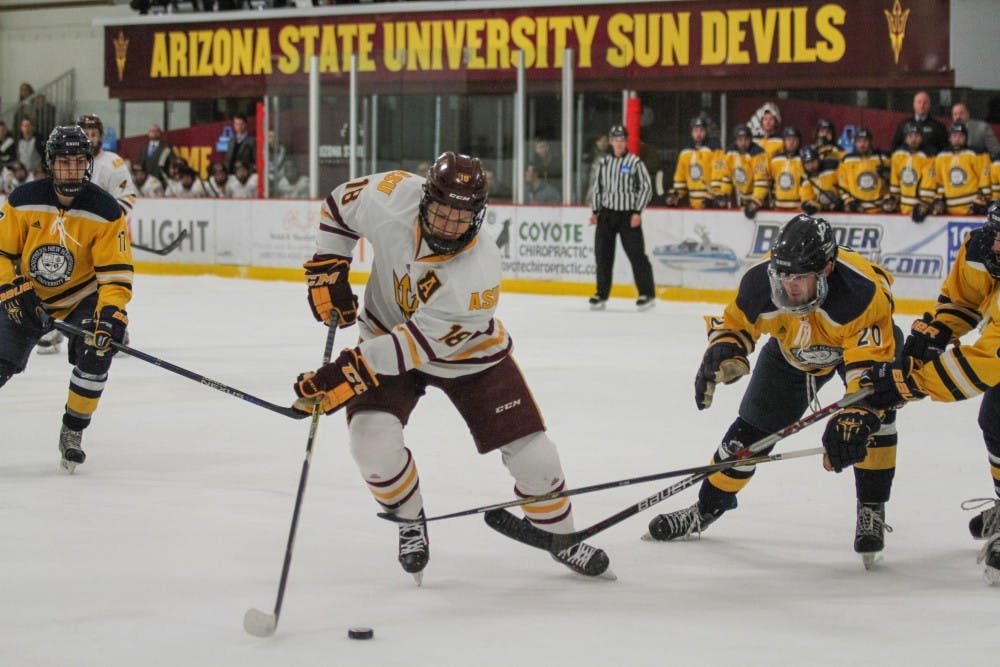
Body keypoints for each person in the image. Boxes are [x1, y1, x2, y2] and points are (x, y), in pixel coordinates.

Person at [291, 151, 614, 582]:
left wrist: (344, 375)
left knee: (537, 459)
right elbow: (337, 206)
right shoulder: (391, 196)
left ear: (478, 216)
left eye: (461, 217)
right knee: (370, 443)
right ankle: (410, 520)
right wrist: (330, 267)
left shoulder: (477, 272)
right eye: (442, 212)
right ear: (426, 199)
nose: (448, 225)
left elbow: (410, 350)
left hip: (465, 357)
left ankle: (562, 537)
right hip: (386, 330)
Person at [645, 214, 904, 569]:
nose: (789, 286)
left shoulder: (860, 295)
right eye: (783, 275)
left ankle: (872, 506)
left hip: (857, 351)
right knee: (747, 436)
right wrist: (725, 350)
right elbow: (735, 325)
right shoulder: (760, 283)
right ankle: (705, 508)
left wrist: (858, 414)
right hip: (791, 352)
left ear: (827, 268)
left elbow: (868, 375)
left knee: (875, 416)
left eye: (799, 278)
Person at [863, 202, 1000, 583]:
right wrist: (937, 332)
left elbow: (983, 365)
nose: (999, 244)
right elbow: (964, 299)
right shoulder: (982, 246)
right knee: (994, 422)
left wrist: (913, 383)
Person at [0, 125, 133, 472]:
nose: (71, 170)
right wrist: (10, 290)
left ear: (88, 164)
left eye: (78, 162)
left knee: (101, 346)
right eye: (64, 162)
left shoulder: (106, 211)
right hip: (25, 295)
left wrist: (109, 314)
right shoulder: (23, 200)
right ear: (50, 164)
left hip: (80, 299)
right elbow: (1, 254)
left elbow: (115, 276)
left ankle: (72, 431)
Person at [588, 124, 655, 312]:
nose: (619, 143)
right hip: (607, 214)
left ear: (626, 142)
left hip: (628, 215)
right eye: (615, 140)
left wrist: (637, 211)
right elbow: (597, 188)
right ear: (610, 142)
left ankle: (646, 293)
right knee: (602, 255)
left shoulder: (635, 163)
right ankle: (601, 294)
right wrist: (595, 212)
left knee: (636, 254)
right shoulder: (604, 163)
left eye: (622, 140)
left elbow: (646, 188)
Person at [924, 122, 992, 216]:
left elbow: (984, 179)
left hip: (972, 210)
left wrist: (983, 200)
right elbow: (939, 182)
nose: (957, 139)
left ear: (966, 138)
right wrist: (939, 200)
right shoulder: (941, 157)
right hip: (949, 212)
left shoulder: (976, 154)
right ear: (950, 138)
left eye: (961, 136)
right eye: (954, 135)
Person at [665, 116, 722, 209]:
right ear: (691, 132)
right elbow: (680, 180)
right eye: (695, 130)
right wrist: (675, 195)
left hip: (712, 205)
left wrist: (716, 196)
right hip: (692, 206)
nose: (698, 134)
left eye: (701, 130)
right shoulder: (685, 153)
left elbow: (719, 175)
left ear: (706, 131)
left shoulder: (714, 149)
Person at [885, 121, 934, 221]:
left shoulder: (928, 156)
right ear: (905, 138)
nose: (913, 139)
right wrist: (893, 200)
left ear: (921, 137)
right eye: (910, 136)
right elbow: (895, 181)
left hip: (921, 209)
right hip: (902, 209)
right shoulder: (898, 155)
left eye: (916, 136)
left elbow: (929, 183)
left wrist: (924, 205)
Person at [710, 124, 766, 210]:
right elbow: (727, 178)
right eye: (740, 140)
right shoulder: (730, 153)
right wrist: (724, 195)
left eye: (746, 139)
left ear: (751, 139)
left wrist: (756, 201)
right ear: (736, 140)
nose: (743, 143)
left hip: (761, 204)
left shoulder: (758, 154)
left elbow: (761, 182)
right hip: (742, 201)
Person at [837, 127, 890, 213]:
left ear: (870, 142)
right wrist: (849, 201)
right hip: (856, 209)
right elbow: (843, 185)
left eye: (865, 141)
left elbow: (893, 180)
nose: (862, 144)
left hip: (879, 209)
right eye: (859, 141)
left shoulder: (883, 158)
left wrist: (888, 174)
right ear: (855, 143)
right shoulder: (847, 160)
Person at [890, 90, 948, 155]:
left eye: (925, 103)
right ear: (914, 104)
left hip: (929, 162)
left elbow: (944, 151)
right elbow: (895, 147)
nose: (922, 105)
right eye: (919, 102)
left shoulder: (938, 126)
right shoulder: (903, 125)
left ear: (929, 105)